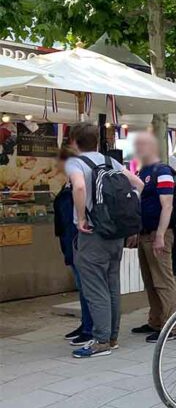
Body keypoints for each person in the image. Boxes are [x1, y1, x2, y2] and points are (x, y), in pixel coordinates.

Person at [64, 123, 144, 358]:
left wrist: (80, 219)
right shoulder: (111, 162)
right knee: (112, 285)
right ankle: (111, 337)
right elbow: (138, 185)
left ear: (74, 142)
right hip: (115, 233)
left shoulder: (75, 162)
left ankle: (100, 341)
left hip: (93, 234)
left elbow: (78, 186)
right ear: (96, 142)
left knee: (95, 287)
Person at [129, 132, 176, 342]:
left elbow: (167, 204)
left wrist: (160, 234)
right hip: (144, 233)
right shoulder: (143, 171)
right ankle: (155, 320)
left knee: (163, 281)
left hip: (158, 234)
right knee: (150, 281)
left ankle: (170, 326)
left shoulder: (162, 170)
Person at [54, 149, 94, 347]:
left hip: (77, 238)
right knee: (81, 286)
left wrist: (81, 221)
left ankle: (90, 328)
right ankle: (85, 323)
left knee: (86, 285)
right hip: (69, 239)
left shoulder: (78, 184)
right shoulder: (69, 183)